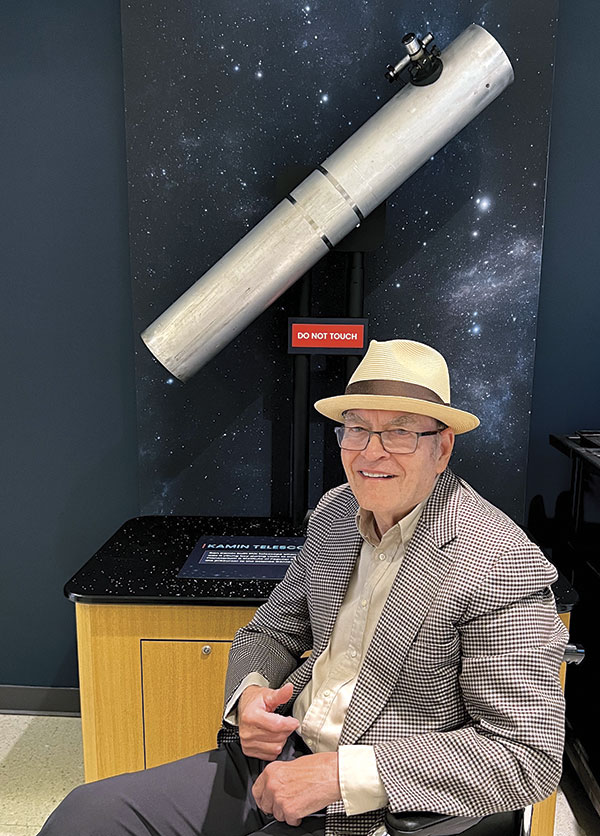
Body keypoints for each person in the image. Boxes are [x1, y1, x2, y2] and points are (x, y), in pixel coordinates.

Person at [37, 339, 568, 836]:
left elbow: (527, 756)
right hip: (280, 755)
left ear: (443, 447)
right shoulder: (336, 513)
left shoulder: (499, 561)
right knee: (85, 816)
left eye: (400, 432)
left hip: (379, 803)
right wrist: (249, 695)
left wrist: (339, 775)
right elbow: (271, 631)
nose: (371, 453)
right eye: (356, 429)